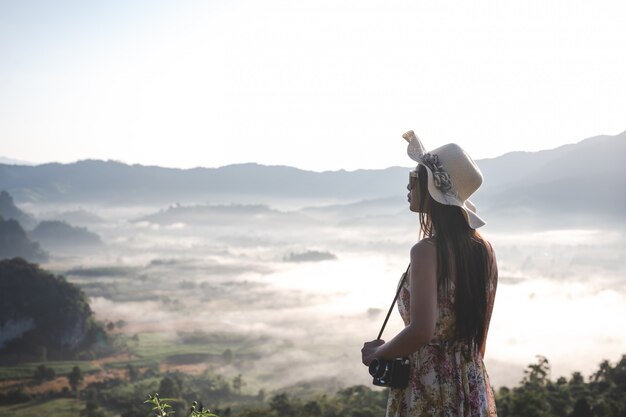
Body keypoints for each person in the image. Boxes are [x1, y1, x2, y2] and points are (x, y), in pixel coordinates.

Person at [361, 131, 498, 417]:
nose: (407, 187)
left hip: (429, 385)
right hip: (471, 381)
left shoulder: (425, 251)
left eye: (413, 180)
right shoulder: (484, 250)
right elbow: (480, 336)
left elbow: (422, 331)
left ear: (433, 191)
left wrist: (378, 354)